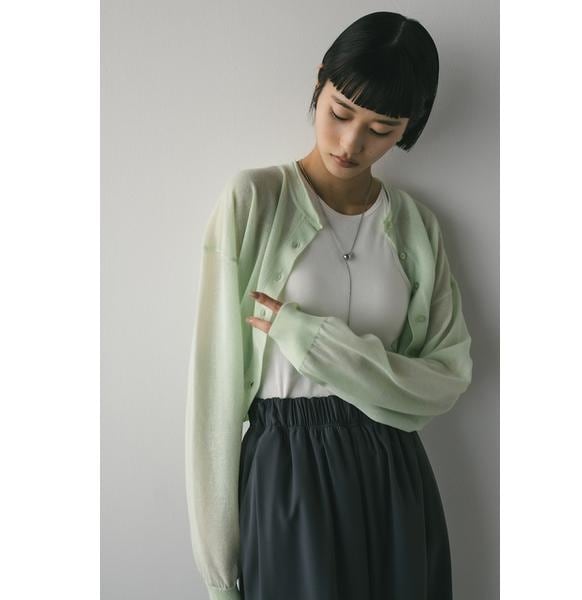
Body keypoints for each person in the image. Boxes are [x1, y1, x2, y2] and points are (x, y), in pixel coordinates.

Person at [185, 10, 473, 600]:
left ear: (409, 127)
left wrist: (308, 339)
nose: (350, 143)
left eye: (382, 129)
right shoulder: (253, 201)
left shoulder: (417, 227)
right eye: (340, 113)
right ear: (320, 82)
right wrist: (218, 574)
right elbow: (214, 398)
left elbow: (445, 380)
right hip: (286, 472)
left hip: (394, 476)